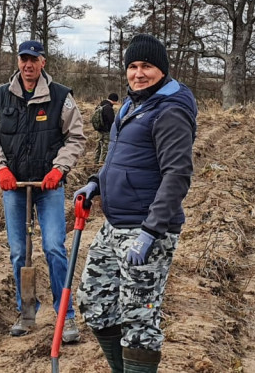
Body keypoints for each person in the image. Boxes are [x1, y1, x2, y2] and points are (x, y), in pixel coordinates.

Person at [73, 34, 197, 373]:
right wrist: (95, 183)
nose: (138, 73)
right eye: (132, 66)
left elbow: (177, 175)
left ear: (162, 70)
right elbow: (120, 160)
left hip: (145, 230)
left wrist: (150, 232)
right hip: (115, 225)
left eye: (147, 66)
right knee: (94, 302)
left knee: (138, 320)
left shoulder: (170, 111)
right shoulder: (132, 104)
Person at [0, 40, 85, 342]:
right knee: (18, 253)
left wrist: (59, 169)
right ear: (18, 61)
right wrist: (1, 168)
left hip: (47, 187)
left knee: (53, 247)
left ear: (43, 63)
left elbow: (76, 137)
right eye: (23, 59)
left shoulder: (61, 97)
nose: (28, 65)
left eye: (33, 60)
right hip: (14, 187)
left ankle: (66, 316)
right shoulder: (0, 97)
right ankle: (26, 312)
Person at [91, 92, 119, 164]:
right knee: (105, 148)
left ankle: (95, 162)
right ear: (114, 100)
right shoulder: (109, 108)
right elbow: (111, 121)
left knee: (98, 147)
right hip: (106, 132)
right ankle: (102, 164)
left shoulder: (100, 105)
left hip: (99, 130)